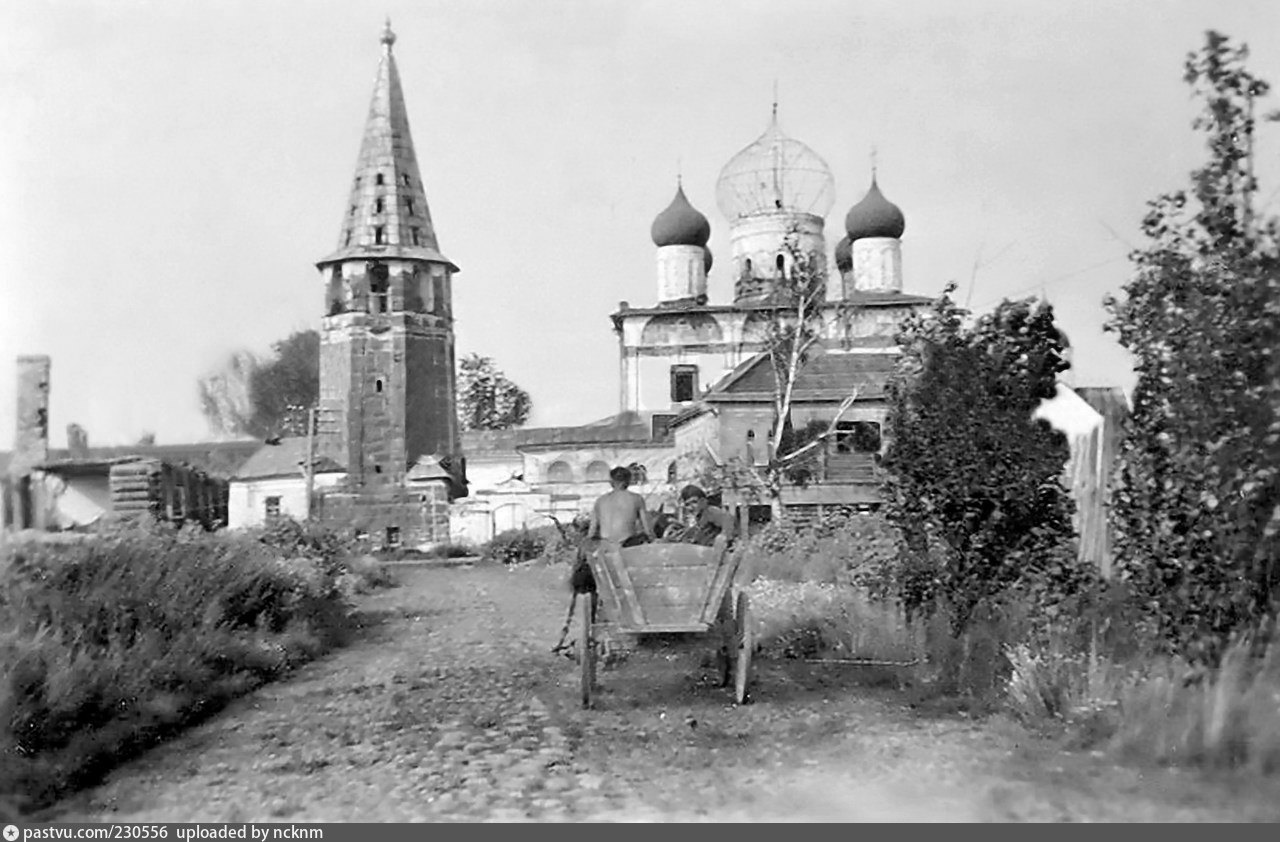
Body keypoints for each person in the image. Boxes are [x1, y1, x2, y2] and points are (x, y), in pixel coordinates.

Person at [588, 465, 655, 549]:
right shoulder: (636, 499)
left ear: (611, 482)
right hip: (628, 547)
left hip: (606, 547)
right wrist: (654, 540)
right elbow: (648, 529)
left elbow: (591, 532)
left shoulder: (600, 501)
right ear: (628, 481)